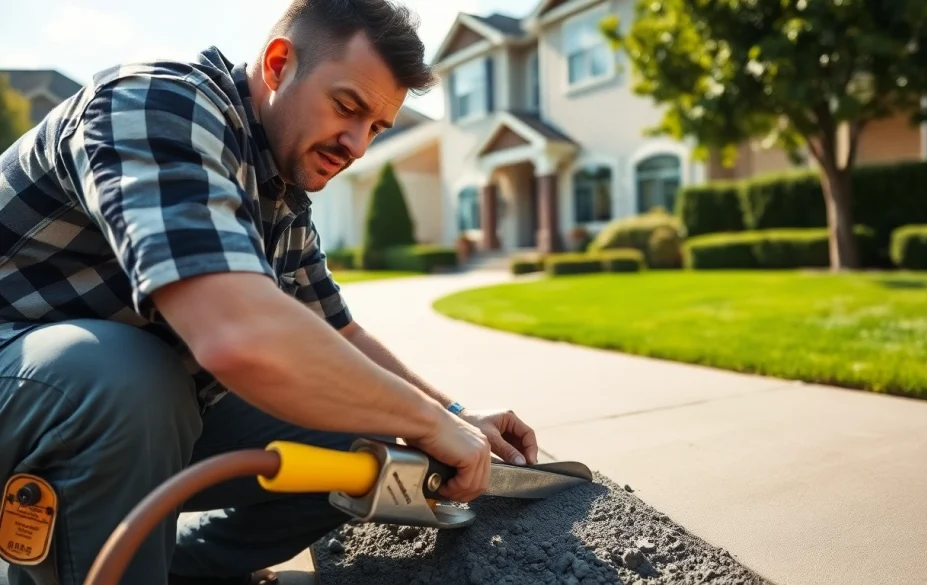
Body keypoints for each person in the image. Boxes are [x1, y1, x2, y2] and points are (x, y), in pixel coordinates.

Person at [0, 0, 541, 584]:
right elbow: (234, 335)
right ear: (280, 63)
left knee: (370, 429)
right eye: (347, 107)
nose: (358, 145)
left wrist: (449, 415)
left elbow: (339, 333)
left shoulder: (279, 189)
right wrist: (431, 423)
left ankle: (165, 571)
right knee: (125, 376)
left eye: (376, 128)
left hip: (147, 405)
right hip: (40, 385)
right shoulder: (155, 103)